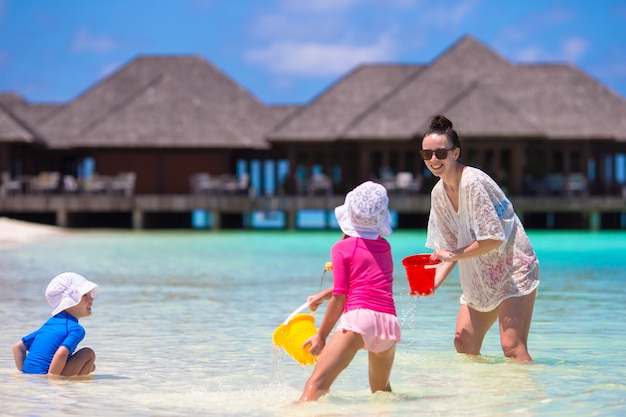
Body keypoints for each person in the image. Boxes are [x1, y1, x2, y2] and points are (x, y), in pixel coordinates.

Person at [420, 114, 540, 362]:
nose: (433, 160)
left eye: (441, 153)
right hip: (480, 274)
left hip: (512, 269)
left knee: (512, 347)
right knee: (463, 342)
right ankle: (482, 397)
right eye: (427, 154)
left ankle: (529, 398)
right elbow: (448, 248)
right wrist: (432, 284)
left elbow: (494, 239)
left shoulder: (472, 183)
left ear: (455, 153)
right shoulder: (438, 193)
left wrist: (452, 255)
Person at [299, 181, 401, 401]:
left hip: (359, 321)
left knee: (315, 386)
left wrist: (321, 336)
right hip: (388, 323)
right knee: (382, 394)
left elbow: (341, 296)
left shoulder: (341, 248)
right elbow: (367, 283)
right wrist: (324, 295)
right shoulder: (384, 246)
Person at [12, 272, 99, 376]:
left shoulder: (49, 324)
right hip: (47, 376)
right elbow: (61, 354)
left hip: (31, 375)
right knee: (88, 354)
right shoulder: (75, 329)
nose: (91, 299)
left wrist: (24, 373)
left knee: (91, 366)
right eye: (85, 295)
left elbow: (17, 347)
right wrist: (52, 379)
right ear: (69, 302)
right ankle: (74, 387)